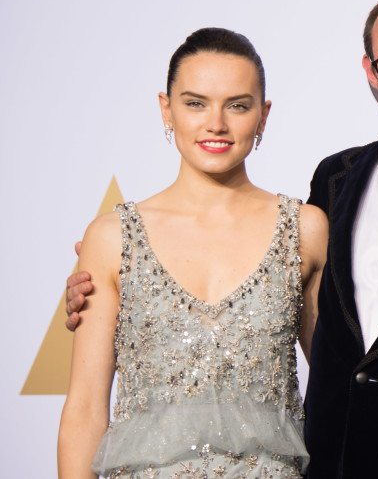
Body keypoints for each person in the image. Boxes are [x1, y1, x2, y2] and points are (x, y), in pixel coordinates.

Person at [67, 0, 378, 477]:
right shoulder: (333, 181)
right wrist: (124, 276)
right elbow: (330, 343)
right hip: (331, 465)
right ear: (371, 72)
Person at [57, 28, 328, 478]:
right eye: (195, 103)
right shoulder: (112, 238)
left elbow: (339, 383)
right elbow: (84, 409)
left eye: (238, 106)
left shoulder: (305, 230)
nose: (216, 124)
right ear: (167, 109)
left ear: (263, 116)